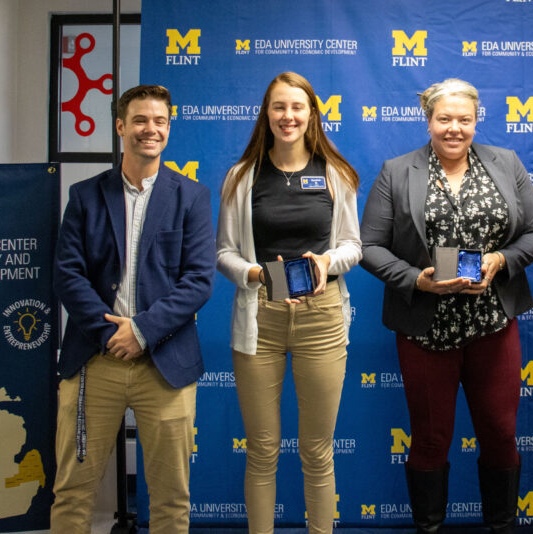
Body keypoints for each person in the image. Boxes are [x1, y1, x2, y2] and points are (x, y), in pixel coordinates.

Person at [360, 78, 533, 534]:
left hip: (493, 324)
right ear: (428, 121)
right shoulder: (396, 171)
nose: (454, 129)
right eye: (444, 119)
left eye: (464, 119)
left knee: (501, 434)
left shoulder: (507, 163)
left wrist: (500, 260)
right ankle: (430, 527)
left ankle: (501, 525)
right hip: (426, 330)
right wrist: (416, 281)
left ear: (476, 120)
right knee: (430, 438)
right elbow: (368, 246)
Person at [51, 84, 216, 534]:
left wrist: (141, 331)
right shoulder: (85, 196)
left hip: (166, 364)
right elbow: (68, 275)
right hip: (96, 360)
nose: (151, 129)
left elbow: (199, 280)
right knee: (72, 493)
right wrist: (111, 335)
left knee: (169, 501)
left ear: (169, 128)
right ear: (121, 126)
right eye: (140, 120)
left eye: (160, 121)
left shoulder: (193, 197)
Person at [216, 71, 361, 534]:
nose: (288, 116)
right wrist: (254, 274)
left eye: (297, 107)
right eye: (279, 107)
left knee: (317, 450)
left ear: (312, 114)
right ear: (267, 114)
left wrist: (327, 262)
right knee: (261, 449)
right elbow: (223, 253)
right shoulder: (242, 177)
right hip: (261, 315)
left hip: (322, 317)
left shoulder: (335, 175)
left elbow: (354, 246)